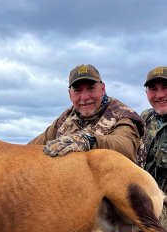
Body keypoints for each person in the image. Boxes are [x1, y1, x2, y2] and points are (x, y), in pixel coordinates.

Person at [29, 64, 145, 164]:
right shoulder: (65, 118)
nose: (84, 97)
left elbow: (126, 146)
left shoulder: (124, 115)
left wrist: (88, 140)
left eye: (91, 88)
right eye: (78, 91)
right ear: (70, 94)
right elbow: (31, 147)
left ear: (102, 89)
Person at [141, 66, 167, 194]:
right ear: (146, 93)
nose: (160, 95)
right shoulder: (144, 118)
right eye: (153, 89)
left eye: (166, 87)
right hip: (145, 200)